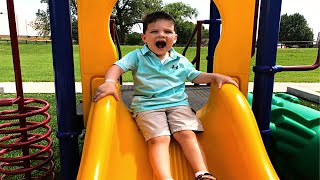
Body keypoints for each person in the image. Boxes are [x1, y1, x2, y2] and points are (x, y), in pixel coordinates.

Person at [93, 11, 238, 180]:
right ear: (144, 37)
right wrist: (110, 82)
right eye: (154, 31)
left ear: (174, 38)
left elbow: (195, 76)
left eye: (167, 32)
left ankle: (203, 173)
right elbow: (117, 67)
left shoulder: (180, 60)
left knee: (186, 134)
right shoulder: (137, 56)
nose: (161, 34)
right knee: (159, 139)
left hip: (178, 104)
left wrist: (214, 77)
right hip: (147, 106)